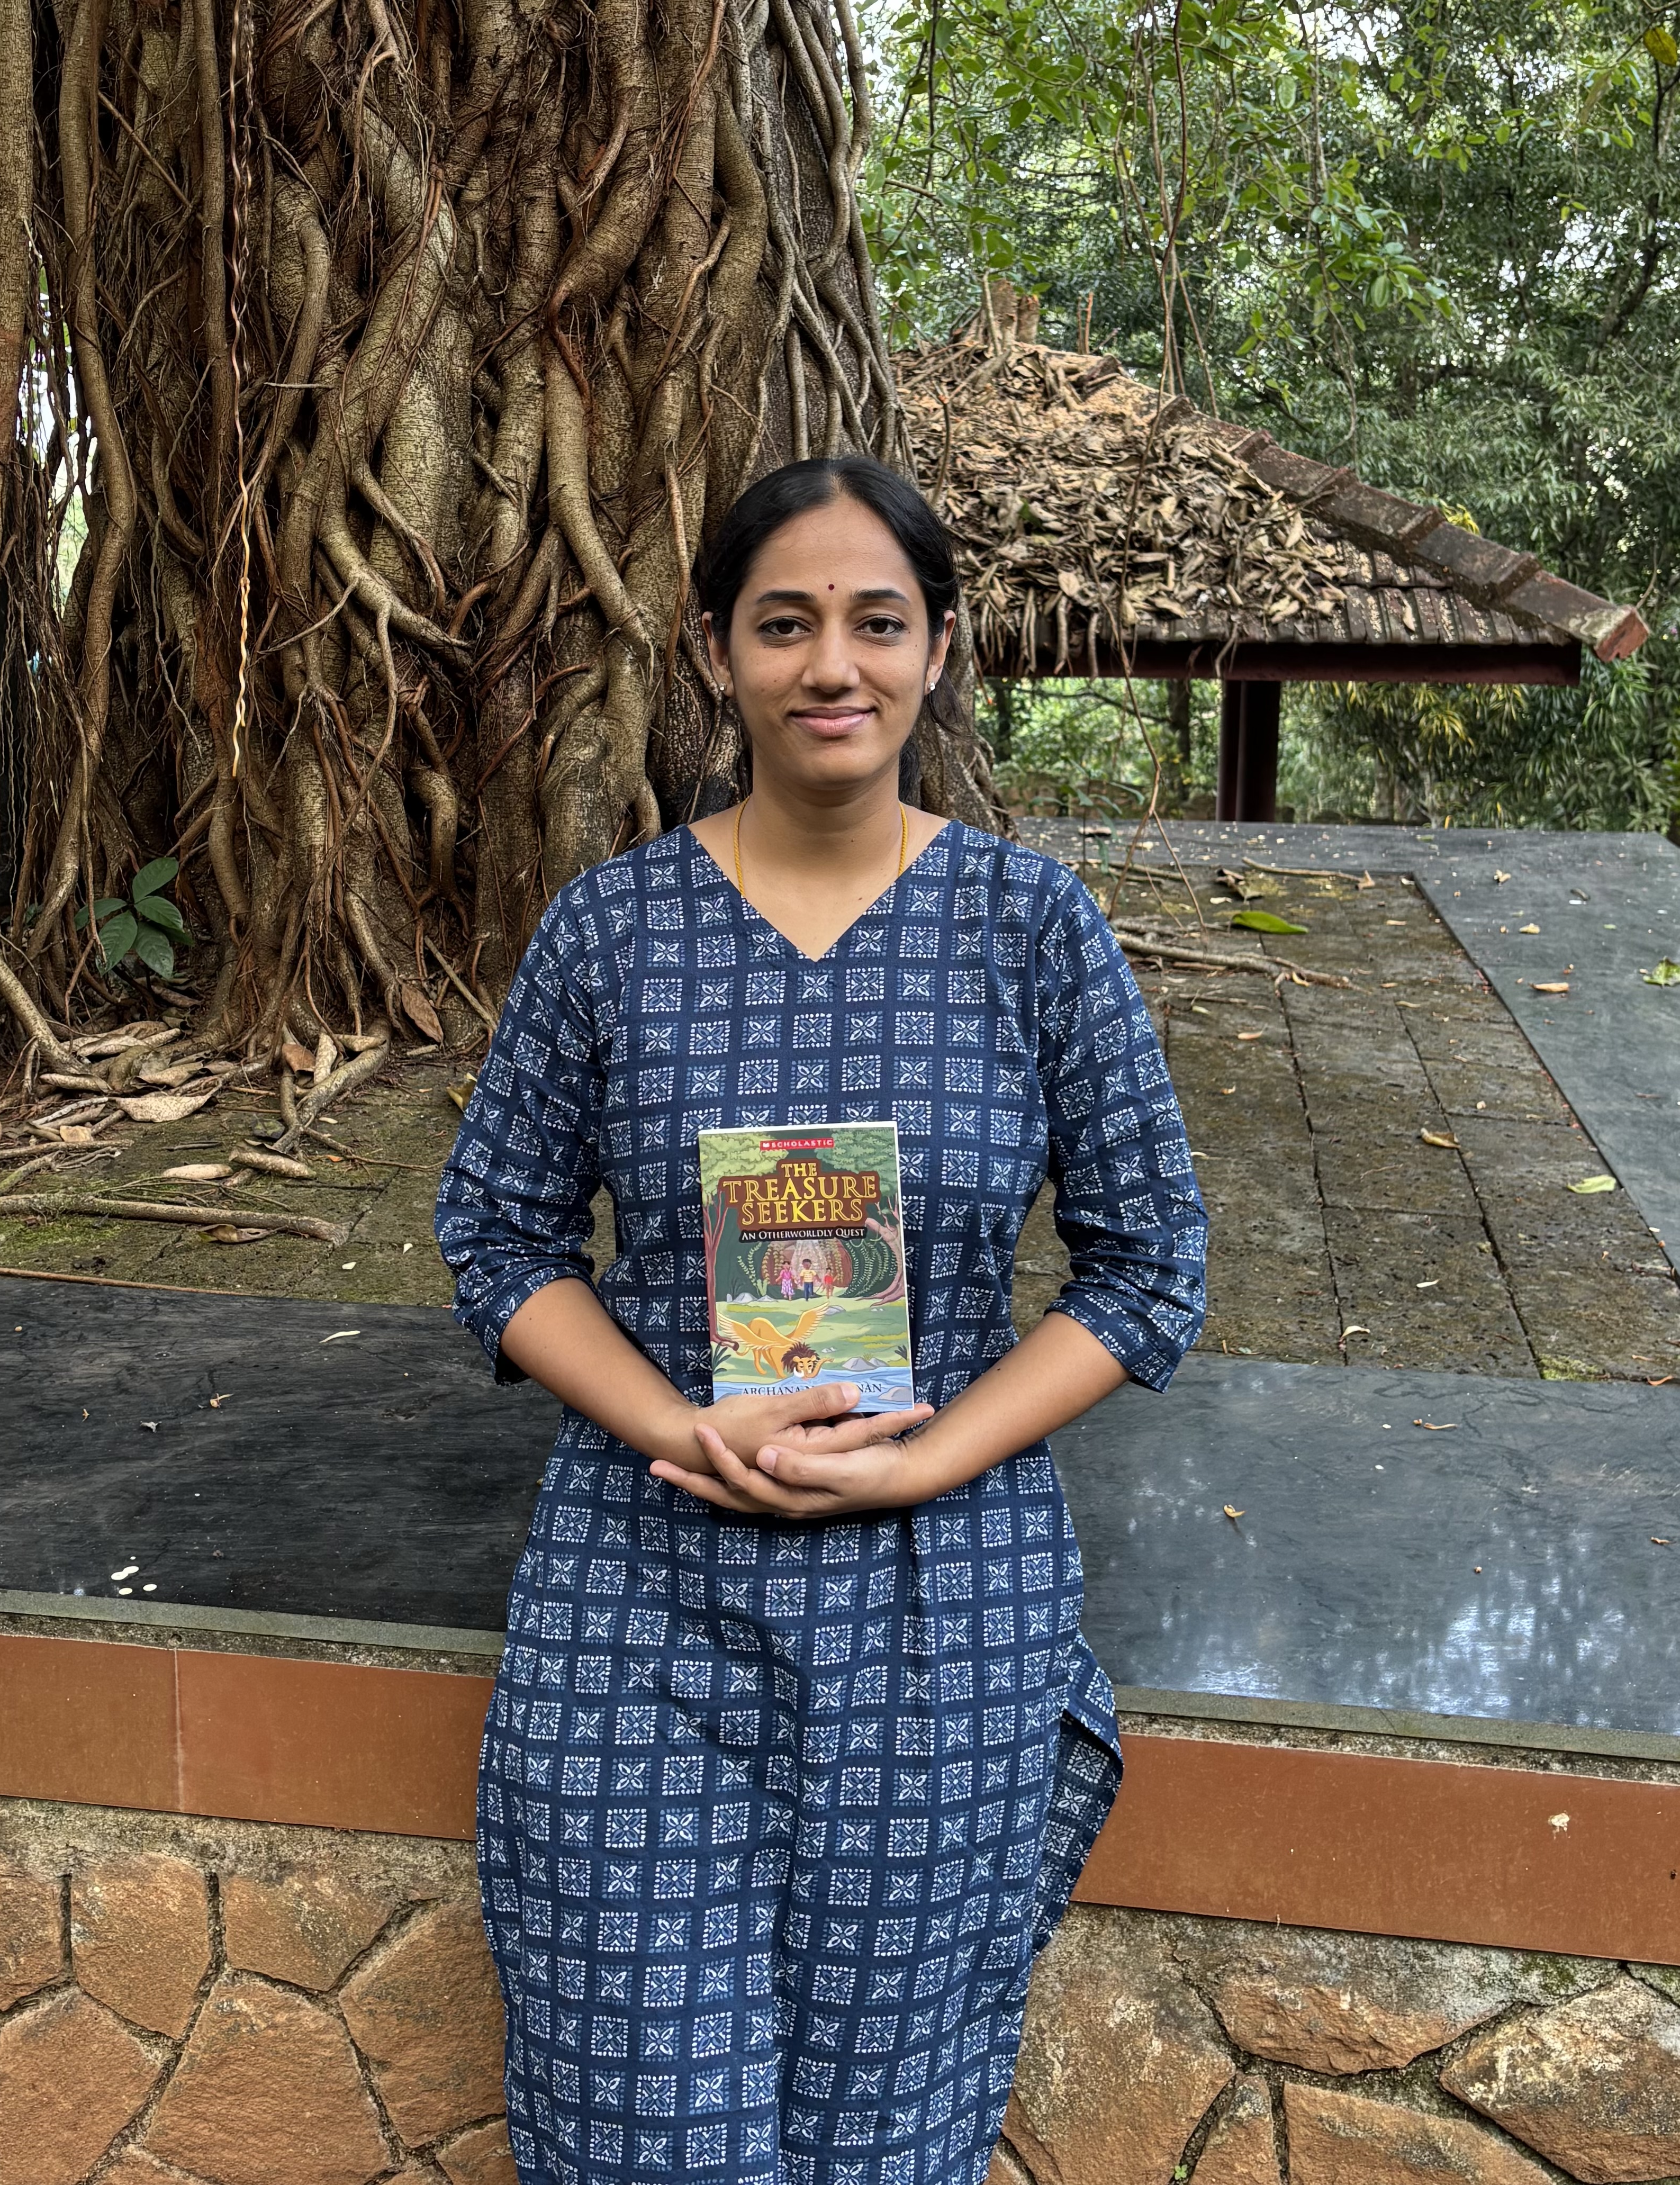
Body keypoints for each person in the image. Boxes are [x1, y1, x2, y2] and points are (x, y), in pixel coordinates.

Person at [435, 454, 1208, 2185]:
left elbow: (1150, 1267)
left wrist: (935, 1455)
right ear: (715, 652)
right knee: (649, 2126)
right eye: (784, 624)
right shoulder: (613, 929)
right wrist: (668, 1422)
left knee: (886, 2133)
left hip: (943, 1620)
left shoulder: (1033, 929)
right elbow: (495, 1235)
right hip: (642, 1608)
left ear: (938, 650)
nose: (831, 666)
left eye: (877, 622)